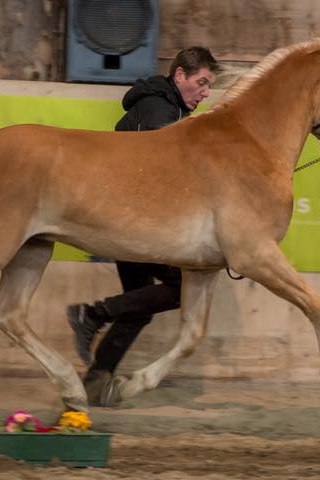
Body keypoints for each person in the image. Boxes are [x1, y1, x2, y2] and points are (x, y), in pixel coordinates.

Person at [67, 47, 220, 403]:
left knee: (138, 305)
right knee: (179, 286)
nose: (206, 92)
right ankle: (92, 314)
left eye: (209, 85)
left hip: (126, 219)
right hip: (131, 222)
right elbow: (158, 175)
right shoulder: (159, 110)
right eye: (201, 82)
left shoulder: (167, 107)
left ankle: (96, 380)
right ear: (179, 75)